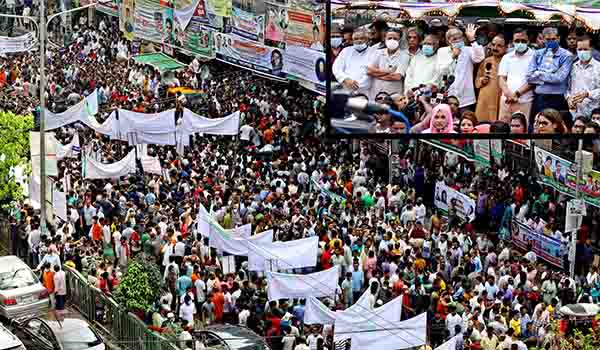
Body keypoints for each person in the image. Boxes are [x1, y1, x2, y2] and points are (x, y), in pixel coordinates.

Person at [526, 27, 574, 130]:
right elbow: (529, 77)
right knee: (537, 128)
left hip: (557, 98)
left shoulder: (566, 56)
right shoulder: (538, 54)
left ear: (559, 38)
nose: (551, 41)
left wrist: (539, 74)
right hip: (540, 97)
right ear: (543, 39)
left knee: (557, 128)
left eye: (553, 39)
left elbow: (559, 78)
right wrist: (549, 74)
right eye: (548, 39)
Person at [438, 24, 485, 111]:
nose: (458, 41)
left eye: (460, 38)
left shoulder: (468, 50)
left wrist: (472, 40)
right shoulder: (442, 51)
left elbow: (480, 57)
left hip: (466, 97)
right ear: (448, 41)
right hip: (449, 96)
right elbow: (442, 71)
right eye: (455, 39)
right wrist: (453, 56)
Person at [498, 28, 535, 123]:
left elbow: (533, 81)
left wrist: (517, 94)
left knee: (521, 131)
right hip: (506, 101)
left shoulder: (534, 57)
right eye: (517, 41)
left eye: (523, 41)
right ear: (512, 42)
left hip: (525, 101)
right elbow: (501, 78)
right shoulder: (507, 57)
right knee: (502, 129)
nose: (520, 43)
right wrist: (508, 94)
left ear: (528, 41)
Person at [367, 27, 410, 101]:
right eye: (389, 38)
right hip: (375, 93)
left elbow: (397, 77)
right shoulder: (378, 52)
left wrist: (376, 74)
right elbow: (369, 71)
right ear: (385, 39)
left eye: (395, 38)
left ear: (399, 40)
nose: (392, 40)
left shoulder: (405, 56)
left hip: (394, 95)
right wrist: (389, 71)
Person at [566, 36, 600, 119]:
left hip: (593, 113)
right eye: (580, 49)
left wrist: (588, 94)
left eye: (585, 49)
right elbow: (567, 87)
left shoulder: (598, 67)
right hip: (575, 112)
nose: (582, 52)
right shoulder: (572, 67)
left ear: (591, 49)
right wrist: (568, 98)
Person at [475, 34, 507, 121]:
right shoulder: (486, 61)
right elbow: (477, 80)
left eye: (499, 46)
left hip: (500, 100)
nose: (495, 48)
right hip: (485, 101)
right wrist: (482, 80)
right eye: (493, 45)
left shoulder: (508, 61)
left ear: (506, 47)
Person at [332, 29, 371, 95]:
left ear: (367, 40)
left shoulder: (373, 52)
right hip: (345, 89)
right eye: (356, 39)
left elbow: (371, 74)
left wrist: (356, 84)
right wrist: (345, 79)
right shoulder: (346, 51)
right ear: (352, 41)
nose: (359, 41)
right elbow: (336, 67)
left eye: (362, 38)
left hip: (365, 92)